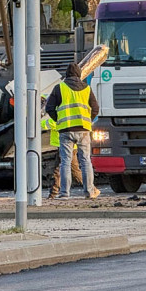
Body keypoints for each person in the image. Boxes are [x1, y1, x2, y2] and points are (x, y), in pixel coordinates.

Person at [45, 64, 100, 199]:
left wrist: (59, 119)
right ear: (79, 74)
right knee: (85, 161)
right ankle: (89, 192)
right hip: (83, 129)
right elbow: (95, 108)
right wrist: (87, 120)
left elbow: (49, 108)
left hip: (66, 129)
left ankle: (64, 193)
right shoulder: (87, 89)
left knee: (65, 162)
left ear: (67, 74)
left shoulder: (60, 88)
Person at [42, 110, 83, 198]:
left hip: (65, 145)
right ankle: (54, 192)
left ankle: (54, 192)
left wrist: (36, 121)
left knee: (62, 170)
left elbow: (49, 124)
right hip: (67, 146)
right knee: (70, 170)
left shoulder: (60, 115)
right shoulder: (66, 113)